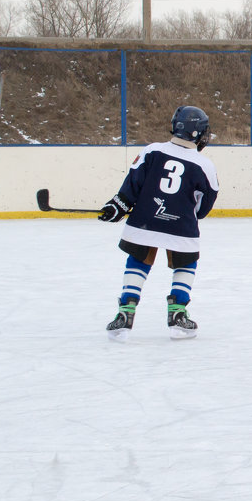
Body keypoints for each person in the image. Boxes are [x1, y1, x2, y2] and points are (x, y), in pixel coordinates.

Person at [99, 106, 219, 341]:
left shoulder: (152, 151)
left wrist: (117, 206)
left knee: (138, 259)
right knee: (186, 261)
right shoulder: (205, 165)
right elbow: (204, 207)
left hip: (144, 221)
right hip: (181, 228)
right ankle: (178, 314)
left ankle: (126, 312)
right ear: (199, 133)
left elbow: (132, 185)